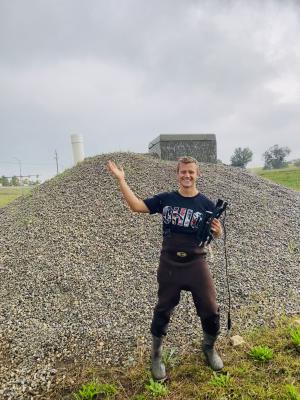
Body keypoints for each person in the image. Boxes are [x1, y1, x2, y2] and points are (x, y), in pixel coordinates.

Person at [107, 156, 223, 380]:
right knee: (163, 309)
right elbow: (136, 206)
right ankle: (156, 356)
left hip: (197, 262)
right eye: (183, 172)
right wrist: (121, 180)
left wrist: (218, 232)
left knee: (210, 307)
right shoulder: (167, 199)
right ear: (177, 174)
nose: (187, 176)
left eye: (191, 172)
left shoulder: (206, 205)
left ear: (198, 174)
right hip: (169, 263)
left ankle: (209, 347)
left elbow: (217, 233)